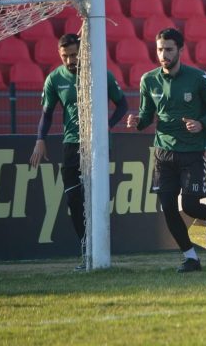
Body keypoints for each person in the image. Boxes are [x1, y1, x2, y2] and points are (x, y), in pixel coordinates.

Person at [126, 28, 206, 273]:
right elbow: (147, 115)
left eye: (169, 49)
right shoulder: (148, 80)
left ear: (181, 50)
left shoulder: (198, 78)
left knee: (190, 205)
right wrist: (137, 122)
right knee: (169, 208)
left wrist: (201, 123)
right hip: (163, 152)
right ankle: (190, 257)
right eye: (160, 49)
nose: (164, 54)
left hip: (191, 151)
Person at [29, 33, 127, 271]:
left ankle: (100, 251)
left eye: (74, 55)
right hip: (72, 144)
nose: (70, 60)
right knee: (74, 200)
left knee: (95, 199)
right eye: (65, 56)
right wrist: (40, 139)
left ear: (82, 52)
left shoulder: (100, 74)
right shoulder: (55, 79)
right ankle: (86, 252)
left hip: (98, 144)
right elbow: (47, 114)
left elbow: (122, 104)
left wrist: (107, 125)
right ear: (59, 55)